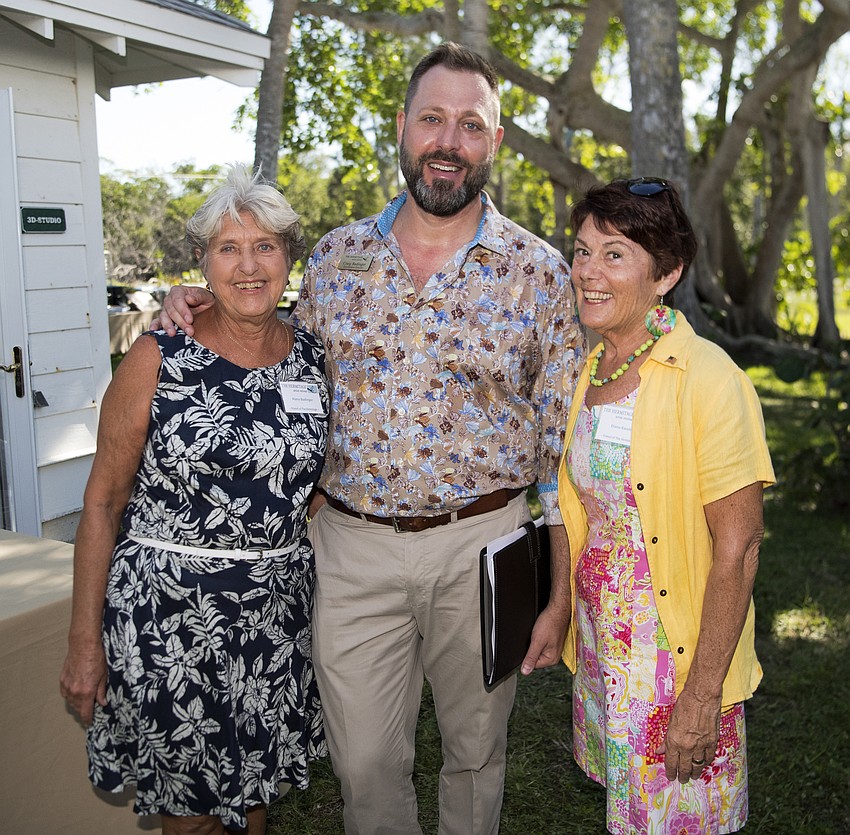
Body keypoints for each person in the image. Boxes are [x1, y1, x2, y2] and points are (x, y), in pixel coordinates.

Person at [155, 43, 586, 835]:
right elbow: (268, 345)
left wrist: (559, 594)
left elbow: (562, 455)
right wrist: (196, 305)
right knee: (361, 764)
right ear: (402, 127)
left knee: (476, 752)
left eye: (470, 124)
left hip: (484, 546)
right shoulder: (333, 259)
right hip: (351, 548)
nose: (448, 141)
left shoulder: (539, 271)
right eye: (432, 119)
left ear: (495, 140)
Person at [60, 165, 329, 835]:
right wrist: (83, 641)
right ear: (203, 264)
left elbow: (317, 481)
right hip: (169, 620)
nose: (247, 265)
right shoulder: (158, 357)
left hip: (273, 620)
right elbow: (100, 504)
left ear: (287, 259)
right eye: (228, 248)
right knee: (195, 820)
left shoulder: (312, 359)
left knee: (255, 798)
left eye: (264, 245)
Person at [557, 177, 775, 834]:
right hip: (605, 651)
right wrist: (559, 605)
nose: (589, 272)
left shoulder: (708, 377)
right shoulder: (590, 369)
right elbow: (580, 509)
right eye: (583, 250)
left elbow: (738, 547)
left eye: (615, 254)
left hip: (671, 664)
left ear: (668, 272)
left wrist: (702, 695)